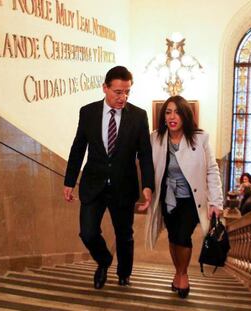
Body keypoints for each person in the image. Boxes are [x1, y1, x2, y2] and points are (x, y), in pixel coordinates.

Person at [63, 66, 155, 289]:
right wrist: (69, 181)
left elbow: (145, 154)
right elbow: (78, 147)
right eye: (118, 92)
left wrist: (148, 186)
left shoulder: (139, 116)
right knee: (88, 232)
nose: (123, 97)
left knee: (124, 234)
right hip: (93, 183)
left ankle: (124, 273)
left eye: (127, 92)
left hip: (123, 185)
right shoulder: (88, 112)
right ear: (105, 88)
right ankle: (104, 260)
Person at [145, 95, 223, 299]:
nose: (172, 117)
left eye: (177, 112)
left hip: (191, 198)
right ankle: (177, 272)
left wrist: (216, 201)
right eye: (168, 112)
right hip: (168, 197)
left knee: (183, 236)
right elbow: (147, 167)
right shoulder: (156, 138)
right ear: (164, 116)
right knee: (172, 237)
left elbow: (212, 170)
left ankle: (183, 274)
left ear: (185, 116)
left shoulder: (200, 138)